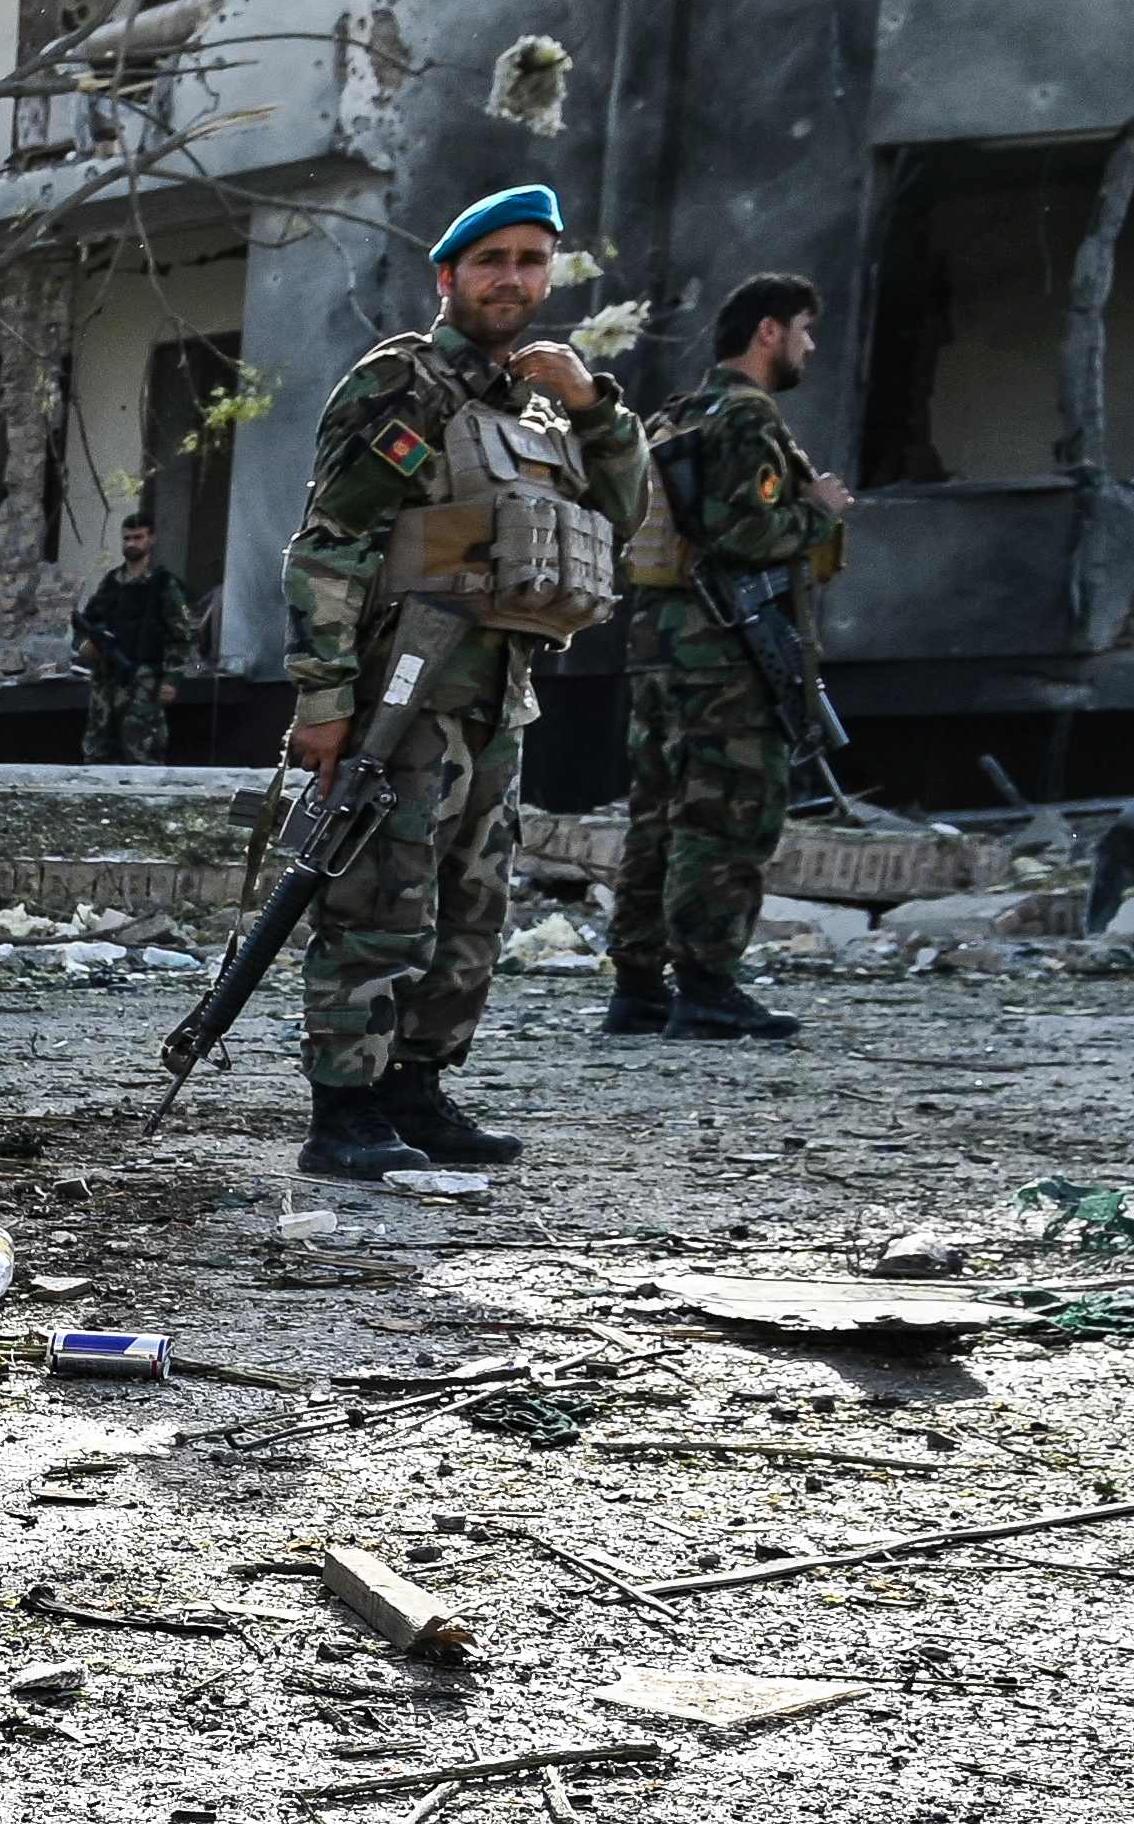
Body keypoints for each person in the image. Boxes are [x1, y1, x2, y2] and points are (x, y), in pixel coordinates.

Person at [275, 181, 647, 1180]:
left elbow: (624, 512)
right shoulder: (403, 385)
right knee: (381, 899)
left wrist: (595, 407)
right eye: (491, 261)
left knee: (472, 906)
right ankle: (343, 1111)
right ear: (448, 276)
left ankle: (416, 1089)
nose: (511, 280)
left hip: (496, 696)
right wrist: (323, 699)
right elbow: (331, 543)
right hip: (404, 691)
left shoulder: (543, 409)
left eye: (530, 262)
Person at [604, 271, 852, 1044]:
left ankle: (639, 987)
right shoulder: (747, 417)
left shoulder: (679, 413)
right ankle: (707, 987)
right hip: (723, 650)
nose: (811, 347)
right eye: (804, 330)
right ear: (769, 331)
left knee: (659, 813)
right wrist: (817, 513)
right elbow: (741, 534)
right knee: (730, 814)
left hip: (661, 645)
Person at [76, 515, 197, 761]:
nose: (131, 544)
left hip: (144, 681)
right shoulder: (111, 583)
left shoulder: (164, 585)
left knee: (142, 754)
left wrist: (172, 679)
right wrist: (84, 645)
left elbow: (183, 636)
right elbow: (87, 623)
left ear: (151, 539)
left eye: (138, 537)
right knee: (98, 753)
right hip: (106, 683)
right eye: (127, 538)